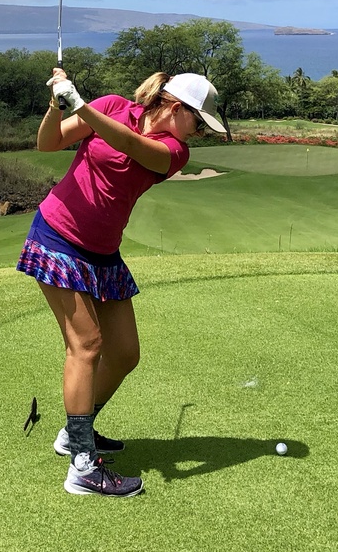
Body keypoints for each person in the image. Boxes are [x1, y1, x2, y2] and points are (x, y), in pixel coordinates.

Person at [17, 68, 227, 497]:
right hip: (57, 237)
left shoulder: (173, 152)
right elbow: (48, 142)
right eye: (198, 121)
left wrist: (80, 106)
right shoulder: (112, 106)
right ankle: (82, 467)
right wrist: (56, 102)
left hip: (103, 253)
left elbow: (129, 144)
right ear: (175, 106)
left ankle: (75, 433)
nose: (198, 132)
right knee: (87, 345)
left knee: (126, 353)